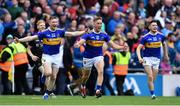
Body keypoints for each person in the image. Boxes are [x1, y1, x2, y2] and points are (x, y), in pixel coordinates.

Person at [15, 16, 86, 100]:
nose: (55, 23)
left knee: (54, 77)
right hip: (47, 56)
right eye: (53, 22)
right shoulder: (44, 33)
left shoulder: (60, 31)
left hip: (56, 56)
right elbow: (31, 38)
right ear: (49, 23)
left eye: (56, 22)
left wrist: (83, 32)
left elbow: (72, 34)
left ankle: (47, 93)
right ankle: (44, 76)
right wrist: (20, 40)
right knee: (48, 73)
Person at [74, 16, 127, 98]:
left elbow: (113, 46)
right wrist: (78, 44)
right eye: (98, 23)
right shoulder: (89, 34)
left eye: (100, 24)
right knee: (86, 76)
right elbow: (81, 41)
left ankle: (98, 90)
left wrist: (122, 47)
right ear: (94, 24)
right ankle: (83, 85)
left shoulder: (104, 35)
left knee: (101, 71)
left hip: (98, 56)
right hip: (88, 57)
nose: (99, 25)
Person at [136, 20, 169, 99]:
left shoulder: (161, 36)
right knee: (150, 77)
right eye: (153, 25)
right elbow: (138, 48)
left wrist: (165, 55)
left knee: (153, 79)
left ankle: (151, 90)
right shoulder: (145, 37)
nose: (155, 27)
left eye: (156, 25)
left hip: (156, 59)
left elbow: (164, 45)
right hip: (147, 58)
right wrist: (140, 58)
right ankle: (153, 95)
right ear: (149, 27)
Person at [27, 20, 46, 94]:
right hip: (38, 59)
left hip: (47, 58)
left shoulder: (48, 36)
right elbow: (28, 48)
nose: (43, 26)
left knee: (48, 75)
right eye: (41, 25)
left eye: (44, 25)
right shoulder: (35, 36)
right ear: (38, 27)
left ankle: (46, 91)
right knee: (45, 73)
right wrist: (32, 56)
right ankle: (48, 91)